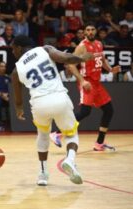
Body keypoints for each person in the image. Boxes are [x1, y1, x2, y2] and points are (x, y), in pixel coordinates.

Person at [11, 35, 93, 186]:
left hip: (39, 103)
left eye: (13, 48)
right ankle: (69, 160)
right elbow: (65, 58)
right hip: (59, 98)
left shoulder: (16, 70)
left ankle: (43, 174)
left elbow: (18, 96)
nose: (12, 51)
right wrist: (82, 58)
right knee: (71, 134)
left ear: (19, 47)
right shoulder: (45, 50)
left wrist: (19, 109)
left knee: (42, 135)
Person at [50, 23, 121, 152]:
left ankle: (99, 143)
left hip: (97, 83)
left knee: (109, 110)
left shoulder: (99, 44)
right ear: (84, 33)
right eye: (87, 30)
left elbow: (102, 59)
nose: (90, 32)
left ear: (96, 31)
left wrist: (110, 69)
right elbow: (71, 65)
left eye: (92, 29)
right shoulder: (82, 47)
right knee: (85, 112)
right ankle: (57, 133)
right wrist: (82, 81)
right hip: (87, 82)